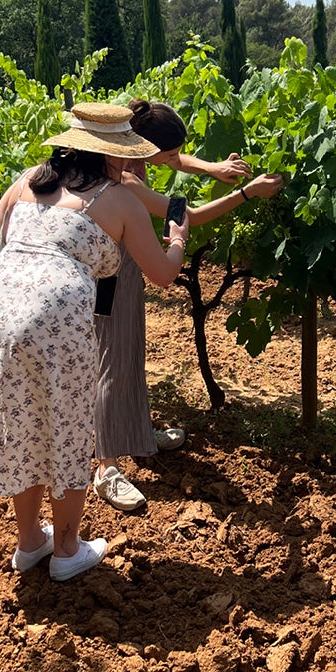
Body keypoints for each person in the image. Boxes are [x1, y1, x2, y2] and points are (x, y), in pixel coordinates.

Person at [0, 103, 189, 582]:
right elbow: (163, 274)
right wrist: (178, 237)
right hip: (57, 324)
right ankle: (68, 549)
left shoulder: (29, 178)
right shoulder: (118, 198)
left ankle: (30, 543)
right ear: (114, 154)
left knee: (20, 422)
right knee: (68, 429)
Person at [92, 97, 283, 512]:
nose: (177, 159)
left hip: (125, 266)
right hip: (105, 276)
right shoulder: (128, 183)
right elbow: (188, 214)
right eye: (171, 152)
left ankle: (138, 432)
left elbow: (178, 161)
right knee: (112, 361)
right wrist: (249, 193)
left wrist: (213, 168)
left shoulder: (132, 157)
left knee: (130, 353)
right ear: (145, 147)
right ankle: (105, 467)